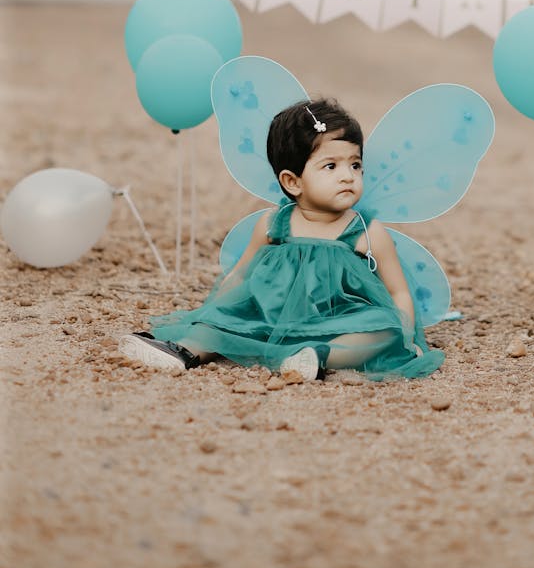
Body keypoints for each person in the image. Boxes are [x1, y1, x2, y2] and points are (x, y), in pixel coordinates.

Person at [118, 98, 445, 381]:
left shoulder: (365, 232)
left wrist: (405, 335)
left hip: (338, 323)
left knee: (381, 330)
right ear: (293, 182)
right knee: (223, 323)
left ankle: (317, 357)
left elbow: (398, 291)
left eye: (355, 165)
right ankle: (185, 351)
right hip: (270, 317)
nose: (349, 176)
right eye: (330, 166)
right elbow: (242, 274)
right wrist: (216, 310)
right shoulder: (274, 224)